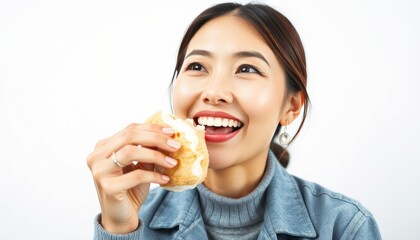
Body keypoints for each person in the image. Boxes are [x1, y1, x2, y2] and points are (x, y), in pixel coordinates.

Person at [87, 2, 381, 239]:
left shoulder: (344, 227)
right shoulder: (138, 221)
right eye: (198, 66)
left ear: (291, 106)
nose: (214, 92)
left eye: (247, 69)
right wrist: (119, 231)